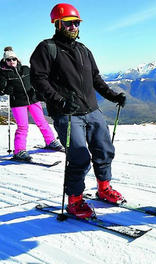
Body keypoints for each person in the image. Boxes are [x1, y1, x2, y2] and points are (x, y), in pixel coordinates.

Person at [30, 3, 127, 219]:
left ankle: (104, 189)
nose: (73, 27)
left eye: (76, 23)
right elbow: (39, 80)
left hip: (92, 110)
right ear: (57, 24)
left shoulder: (84, 50)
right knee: (79, 156)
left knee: (104, 150)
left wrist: (113, 95)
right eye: (68, 23)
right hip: (67, 114)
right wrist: (59, 101)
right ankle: (74, 199)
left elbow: (95, 79)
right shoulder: (47, 48)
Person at [0, 47, 63, 161]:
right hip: (18, 103)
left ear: (17, 59)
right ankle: (19, 151)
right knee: (23, 126)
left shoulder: (25, 69)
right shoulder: (3, 73)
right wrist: (5, 89)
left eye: (13, 58)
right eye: (8, 59)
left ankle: (51, 142)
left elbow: (35, 81)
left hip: (33, 99)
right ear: (5, 61)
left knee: (42, 121)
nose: (11, 61)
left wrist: (39, 92)